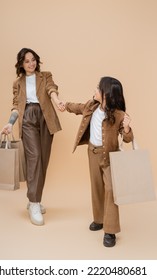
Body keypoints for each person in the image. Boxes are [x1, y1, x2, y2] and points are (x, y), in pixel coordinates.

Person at [64, 76, 133, 247]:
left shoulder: (119, 115)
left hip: (110, 158)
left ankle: (110, 231)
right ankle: (99, 219)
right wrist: (64, 105)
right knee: (96, 187)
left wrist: (126, 127)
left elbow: (128, 138)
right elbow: (77, 107)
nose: (94, 90)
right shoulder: (91, 106)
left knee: (110, 189)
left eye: (98, 88)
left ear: (106, 94)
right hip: (92, 153)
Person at [1, 48, 65, 226]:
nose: (31, 63)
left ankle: (34, 200)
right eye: (27, 61)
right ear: (21, 64)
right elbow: (16, 105)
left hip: (46, 118)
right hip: (28, 117)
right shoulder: (18, 83)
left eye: (33, 60)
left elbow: (52, 89)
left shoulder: (45, 75)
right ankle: (34, 203)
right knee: (34, 157)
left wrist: (57, 101)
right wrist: (10, 123)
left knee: (43, 160)